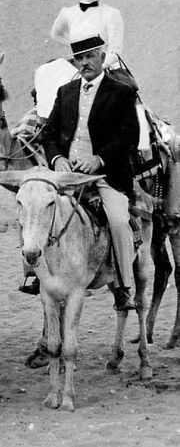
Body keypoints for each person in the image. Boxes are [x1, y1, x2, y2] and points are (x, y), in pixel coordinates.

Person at [40, 34, 139, 312]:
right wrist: (57, 158)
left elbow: (129, 135)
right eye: (79, 58)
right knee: (35, 207)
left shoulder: (120, 92)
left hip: (104, 176)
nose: (84, 63)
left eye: (90, 56)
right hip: (67, 173)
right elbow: (48, 134)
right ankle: (34, 275)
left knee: (118, 220)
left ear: (101, 56)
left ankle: (123, 286)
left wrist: (99, 159)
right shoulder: (65, 92)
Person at [50, 0, 126, 70]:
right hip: (79, 66)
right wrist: (78, 48)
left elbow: (115, 50)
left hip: (105, 67)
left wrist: (100, 66)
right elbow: (56, 34)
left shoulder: (112, 13)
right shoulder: (67, 12)